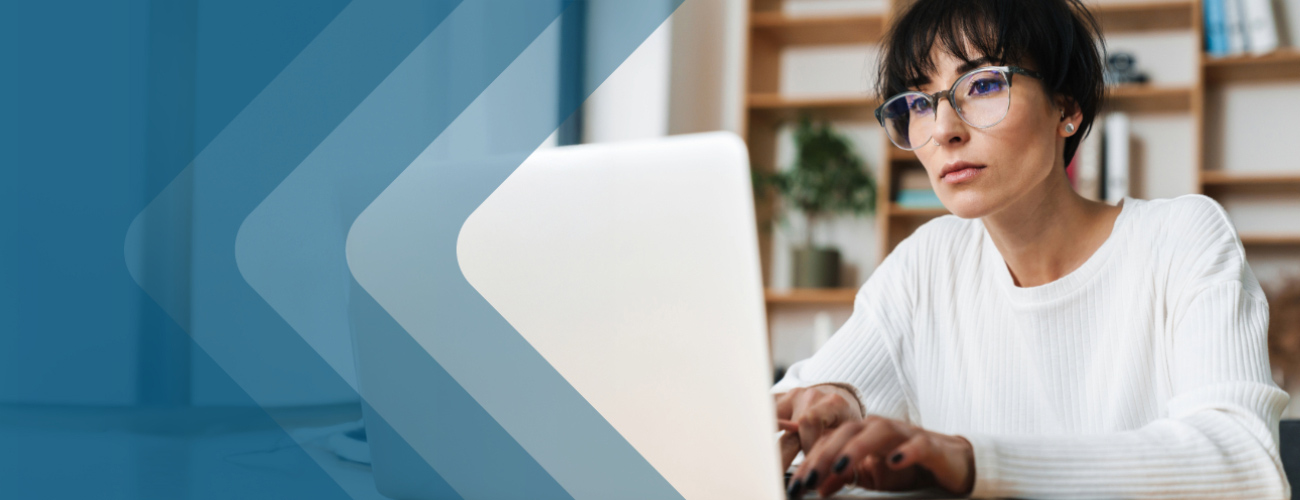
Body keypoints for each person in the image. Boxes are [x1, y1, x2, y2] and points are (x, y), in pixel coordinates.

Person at [773, 0, 1291, 498]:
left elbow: (1243, 463)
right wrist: (833, 401)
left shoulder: (1181, 237)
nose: (944, 129)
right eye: (918, 102)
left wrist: (971, 461)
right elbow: (787, 421)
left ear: (1065, 107)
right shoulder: (926, 262)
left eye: (981, 85)